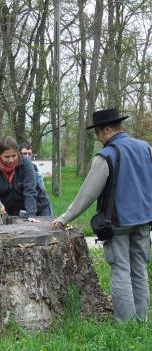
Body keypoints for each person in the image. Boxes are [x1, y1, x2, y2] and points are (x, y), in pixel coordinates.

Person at [53, 108, 152, 323]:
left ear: (106, 130)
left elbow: (87, 194)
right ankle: (142, 321)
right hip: (145, 220)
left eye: (98, 133)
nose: (98, 139)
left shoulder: (106, 155)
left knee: (121, 271)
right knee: (140, 270)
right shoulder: (146, 148)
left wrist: (64, 218)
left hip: (117, 222)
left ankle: (126, 325)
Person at [0, 136, 51, 228]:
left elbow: (30, 190)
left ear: (18, 153)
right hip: (14, 212)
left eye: (14, 155)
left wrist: (31, 214)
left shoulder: (26, 163)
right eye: (7, 157)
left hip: (38, 207)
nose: (11, 160)